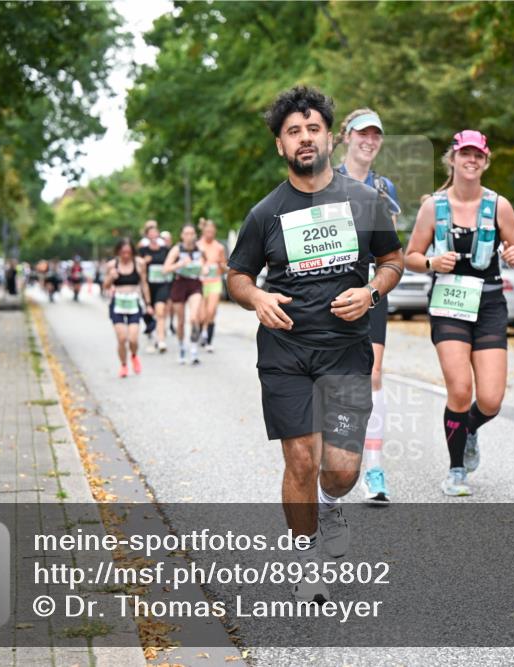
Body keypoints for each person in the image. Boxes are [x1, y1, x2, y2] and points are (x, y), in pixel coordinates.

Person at [227, 86, 403, 603]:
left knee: (342, 472)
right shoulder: (265, 213)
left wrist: (371, 291)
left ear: (329, 136)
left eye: (312, 129)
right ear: (281, 146)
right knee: (301, 460)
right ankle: (306, 562)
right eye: (292, 132)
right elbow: (236, 276)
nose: (304, 138)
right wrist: (256, 297)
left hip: (346, 351)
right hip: (285, 352)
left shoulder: (366, 202)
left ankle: (331, 503)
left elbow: (391, 262)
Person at [405, 130, 514, 497]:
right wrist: (430, 261)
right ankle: (456, 469)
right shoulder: (434, 207)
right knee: (460, 389)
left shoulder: (498, 206)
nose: (471, 161)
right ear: (453, 159)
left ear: (485, 161)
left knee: (490, 399)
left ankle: (469, 427)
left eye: (478, 155)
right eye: (465, 154)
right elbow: (410, 256)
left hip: (489, 303)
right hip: (449, 303)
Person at [335, 107, 402, 504]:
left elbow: (388, 249)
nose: (369, 140)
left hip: (372, 291)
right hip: (330, 291)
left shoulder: (384, 187)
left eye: (376, 134)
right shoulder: (325, 181)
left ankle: (373, 467)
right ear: (346, 137)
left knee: (372, 372)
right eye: (362, 133)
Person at [102, 238, 152, 378]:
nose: (125, 255)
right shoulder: (112, 265)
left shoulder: (139, 263)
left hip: (133, 302)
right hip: (117, 303)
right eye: (123, 252)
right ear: (118, 252)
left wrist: (148, 304)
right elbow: (105, 286)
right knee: (122, 338)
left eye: (128, 252)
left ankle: (134, 355)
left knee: (133, 339)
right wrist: (111, 278)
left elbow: (144, 284)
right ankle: (124, 365)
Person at [163, 224, 206, 365]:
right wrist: (180, 264)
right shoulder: (177, 249)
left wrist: (204, 268)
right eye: (186, 233)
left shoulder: (199, 249)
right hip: (179, 284)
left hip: (194, 284)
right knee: (180, 322)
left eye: (192, 233)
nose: (189, 236)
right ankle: (182, 347)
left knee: (194, 317)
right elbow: (165, 269)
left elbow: (206, 263)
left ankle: (193, 349)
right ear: (182, 236)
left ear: (195, 235)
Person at [139, 222, 172, 353]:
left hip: (162, 285)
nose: (153, 235)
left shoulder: (165, 250)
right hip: (148, 286)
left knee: (160, 311)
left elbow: (170, 264)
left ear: (158, 234)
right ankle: (150, 333)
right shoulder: (142, 251)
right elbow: (136, 267)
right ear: (147, 235)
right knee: (149, 312)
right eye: (150, 233)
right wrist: (143, 262)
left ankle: (161, 340)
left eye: (155, 232)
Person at [197, 218, 228, 353]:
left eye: (212, 231)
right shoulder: (197, 245)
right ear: (203, 231)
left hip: (215, 281)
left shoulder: (219, 247)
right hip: (200, 282)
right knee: (201, 315)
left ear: (214, 232)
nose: (209, 233)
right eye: (207, 231)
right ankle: (201, 332)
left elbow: (224, 266)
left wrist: (221, 266)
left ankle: (209, 341)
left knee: (211, 311)